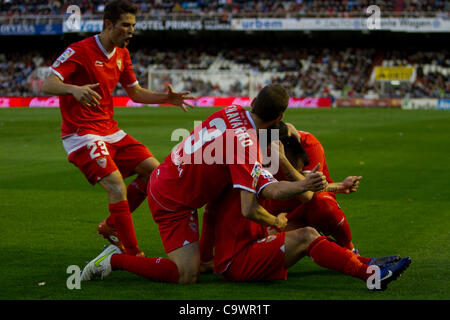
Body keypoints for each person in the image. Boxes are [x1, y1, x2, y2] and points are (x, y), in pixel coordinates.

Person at [80, 84, 329, 284]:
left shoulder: (232, 110)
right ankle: (116, 259)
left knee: (221, 198)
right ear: (280, 116)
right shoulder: (246, 144)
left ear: (253, 102)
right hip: (171, 200)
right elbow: (249, 208)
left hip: (168, 176)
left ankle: (208, 258)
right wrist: (277, 221)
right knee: (186, 275)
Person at [41, 0, 194, 257]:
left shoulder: (122, 53)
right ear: (109, 25)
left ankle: (111, 226)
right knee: (115, 185)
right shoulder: (79, 51)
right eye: (126, 25)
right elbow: (48, 83)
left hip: (110, 129)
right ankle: (133, 254)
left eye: (133, 25)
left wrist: (165, 98)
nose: (131, 31)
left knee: (155, 175)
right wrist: (73, 89)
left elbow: (135, 92)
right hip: (81, 134)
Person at [198, 135, 411, 291]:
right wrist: (207, 260)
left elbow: (282, 188)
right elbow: (284, 190)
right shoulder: (246, 172)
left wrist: (338, 187)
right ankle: (372, 276)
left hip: (249, 247)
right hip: (239, 261)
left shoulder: (241, 171)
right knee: (307, 235)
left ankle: (368, 263)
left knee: (310, 235)